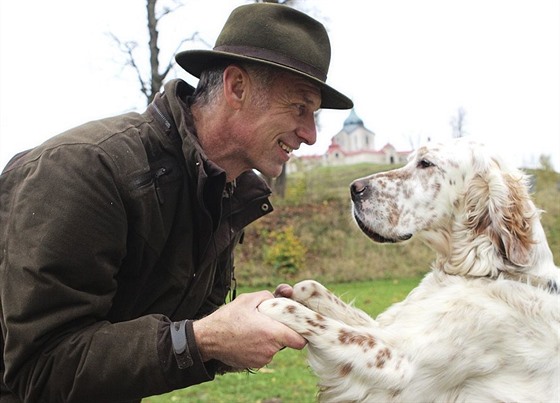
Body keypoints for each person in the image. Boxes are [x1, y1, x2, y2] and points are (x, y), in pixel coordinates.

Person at [0, 3, 353, 402]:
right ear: (237, 87)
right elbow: (39, 368)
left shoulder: (220, 190)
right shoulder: (87, 170)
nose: (310, 134)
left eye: (314, 116)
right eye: (299, 107)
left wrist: (261, 322)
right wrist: (204, 340)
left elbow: (173, 334)